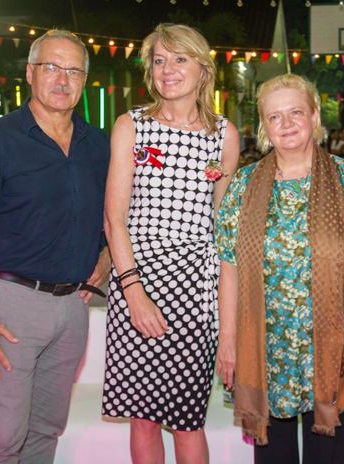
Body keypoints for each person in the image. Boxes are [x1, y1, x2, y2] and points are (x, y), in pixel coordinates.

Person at [0, 30, 110, 463]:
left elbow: (110, 217)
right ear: (30, 73)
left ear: (84, 80)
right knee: (3, 437)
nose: (62, 79)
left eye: (73, 70)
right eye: (52, 67)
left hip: (73, 307)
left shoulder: (98, 145)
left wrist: (107, 255)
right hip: (10, 307)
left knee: (46, 431)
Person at [215, 74, 344, 464]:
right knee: (273, 455)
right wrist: (227, 340)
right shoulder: (244, 185)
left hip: (334, 346)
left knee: (332, 454)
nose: (287, 123)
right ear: (264, 128)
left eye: (296, 112)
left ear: (314, 116)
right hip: (266, 349)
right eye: (275, 117)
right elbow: (229, 268)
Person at [102, 23, 239, 464]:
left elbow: (224, 231)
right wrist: (134, 292)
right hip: (136, 283)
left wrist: (226, 319)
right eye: (159, 60)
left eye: (179, 59)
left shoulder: (224, 135)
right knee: (143, 418)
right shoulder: (132, 126)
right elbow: (114, 219)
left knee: (186, 419)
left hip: (196, 292)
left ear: (203, 68)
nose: (168, 69)